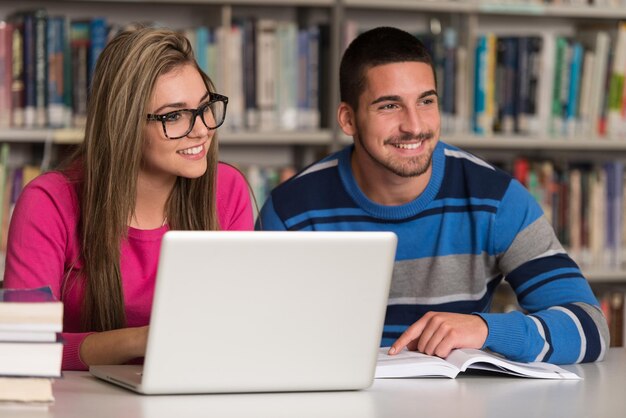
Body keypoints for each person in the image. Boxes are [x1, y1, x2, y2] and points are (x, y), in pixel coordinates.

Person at [257, 26, 609, 364]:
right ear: (348, 120)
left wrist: (486, 329)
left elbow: (590, 328)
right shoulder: (291, 211)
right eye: (389, 106)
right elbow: (258, 335)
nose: (415, 125)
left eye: (426, 101)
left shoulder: (495, 199)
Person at [3, 27, 254, 370]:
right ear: (124, 123)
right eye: (174, 115)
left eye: (205, 107)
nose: (202, 130)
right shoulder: (48, 202)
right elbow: (22, 347)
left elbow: (238, 329)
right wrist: (141, 340)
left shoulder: (227, 189)